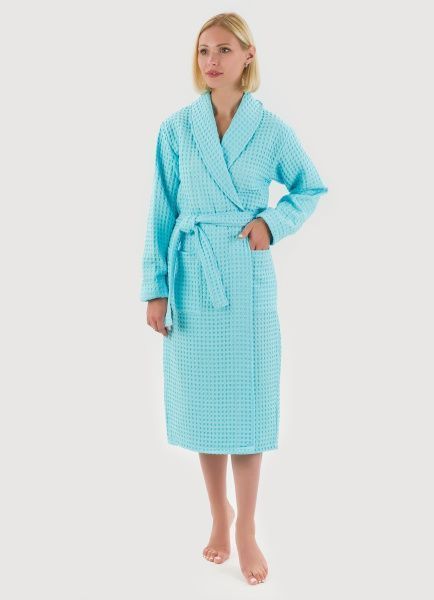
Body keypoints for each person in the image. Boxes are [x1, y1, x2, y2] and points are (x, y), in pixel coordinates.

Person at [140, 12, 328, 586]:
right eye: (204, 51)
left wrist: (272, 222)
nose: (212, 61)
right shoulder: (176, 129)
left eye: (224, 49)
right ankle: (217, 515)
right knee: (205, 406)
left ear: (248, 56)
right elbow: (162, 211)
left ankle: (245, 524)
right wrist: (156, 287)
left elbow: (310, 186)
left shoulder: (270, 131)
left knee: (246, 406)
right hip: (193, 279)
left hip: (245, 279)